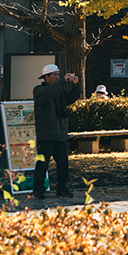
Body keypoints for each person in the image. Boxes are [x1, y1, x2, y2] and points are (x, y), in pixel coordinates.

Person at [32, 63, 80, 199]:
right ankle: (38, 190)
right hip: (46, 134)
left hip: (60, 134)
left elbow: (72, 97)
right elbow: (50, 92)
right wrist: (63, 81)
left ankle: (62, 189)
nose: (57, 77)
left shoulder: (60, 91)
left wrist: (76, 85)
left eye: (58, 75)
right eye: (55, 75)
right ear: (46, 77)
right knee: (42, 164)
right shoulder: (39, 91)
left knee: (63, 164)